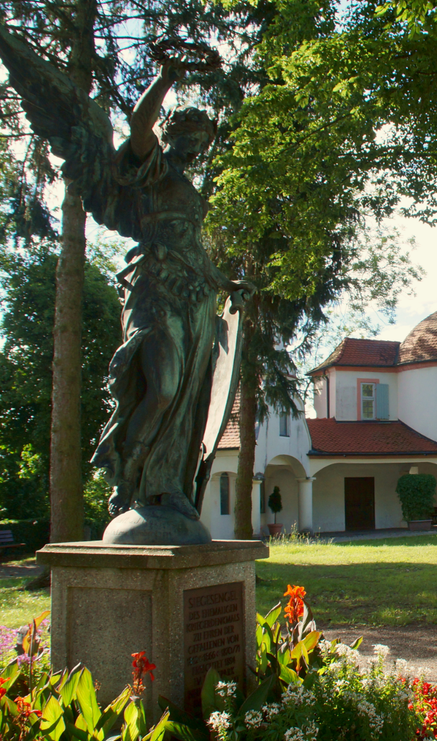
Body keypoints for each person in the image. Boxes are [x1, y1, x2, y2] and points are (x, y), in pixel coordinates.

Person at [90, 61, 252, 519]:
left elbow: (195, 252)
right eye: (188, 135)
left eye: (201, 140)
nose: (195, 146)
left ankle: (166, 484)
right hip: (155, 289)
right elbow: (140, 128)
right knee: (161, 388)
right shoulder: (155, 170)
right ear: (172, 133)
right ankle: (131, 476)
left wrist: (227, 283)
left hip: (194, 294)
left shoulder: (189, 190)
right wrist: (166, 77)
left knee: (185, 396)